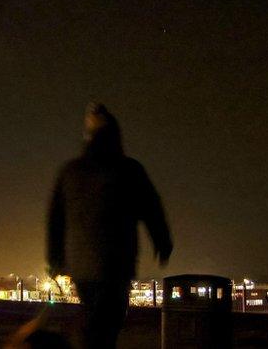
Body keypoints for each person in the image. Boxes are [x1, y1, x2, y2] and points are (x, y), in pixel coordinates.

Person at [47, 103, 173, 349]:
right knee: (108, 324)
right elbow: (151, 209)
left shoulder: (70, 171)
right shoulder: (129, 169)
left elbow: (55, 220)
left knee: (95, 318)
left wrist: (54, 259)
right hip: (116, 262)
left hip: (81, 265)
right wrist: (163, 242)